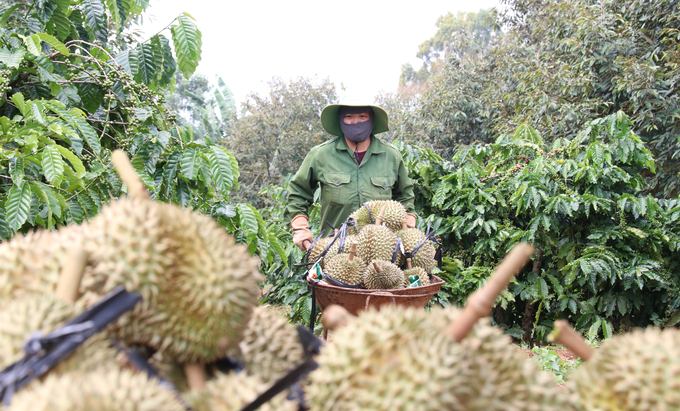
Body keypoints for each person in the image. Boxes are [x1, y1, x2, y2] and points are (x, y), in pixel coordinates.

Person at [284, 103, 417, 251]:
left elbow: (405, 195)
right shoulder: (321, 154)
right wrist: (300, 227)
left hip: (382, 251)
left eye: (362, 116)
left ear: (371, 120)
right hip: (334, 249)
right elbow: (299, 192)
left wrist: (408, 222)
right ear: (341, 120)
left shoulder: (391, 156)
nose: (356, 122)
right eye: (349, 117)